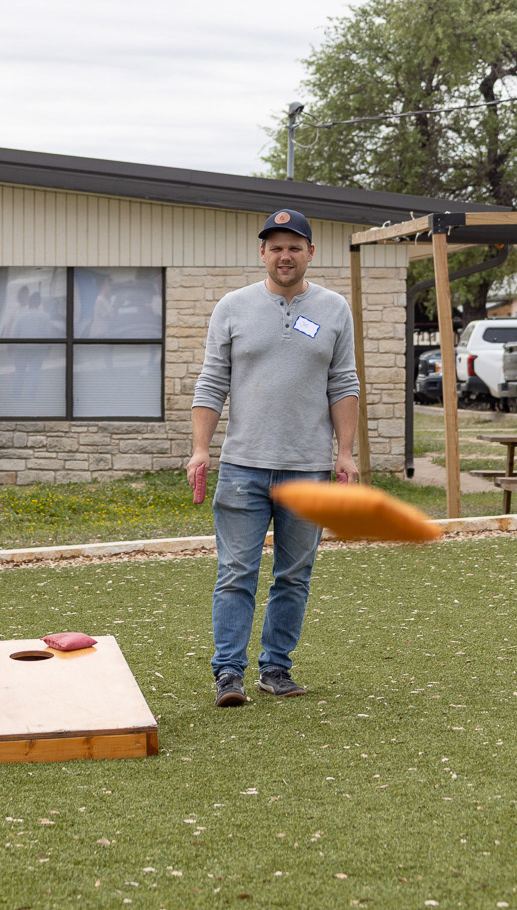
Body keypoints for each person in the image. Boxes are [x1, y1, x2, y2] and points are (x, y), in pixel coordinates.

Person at [186, 208, 360, 707]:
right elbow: (211, 381)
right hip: (243, 467)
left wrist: (345, 454)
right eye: (276, 247)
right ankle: (228, 673)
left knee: (294, 575)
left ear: (310, 253)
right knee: (236, 573)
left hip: (309, 469)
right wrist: (201, 448)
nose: (285, 255)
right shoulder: (233, 307)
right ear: (262, 252)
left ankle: (276, 668)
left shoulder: (334, 309)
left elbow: (343, 382)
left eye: (294, 247)